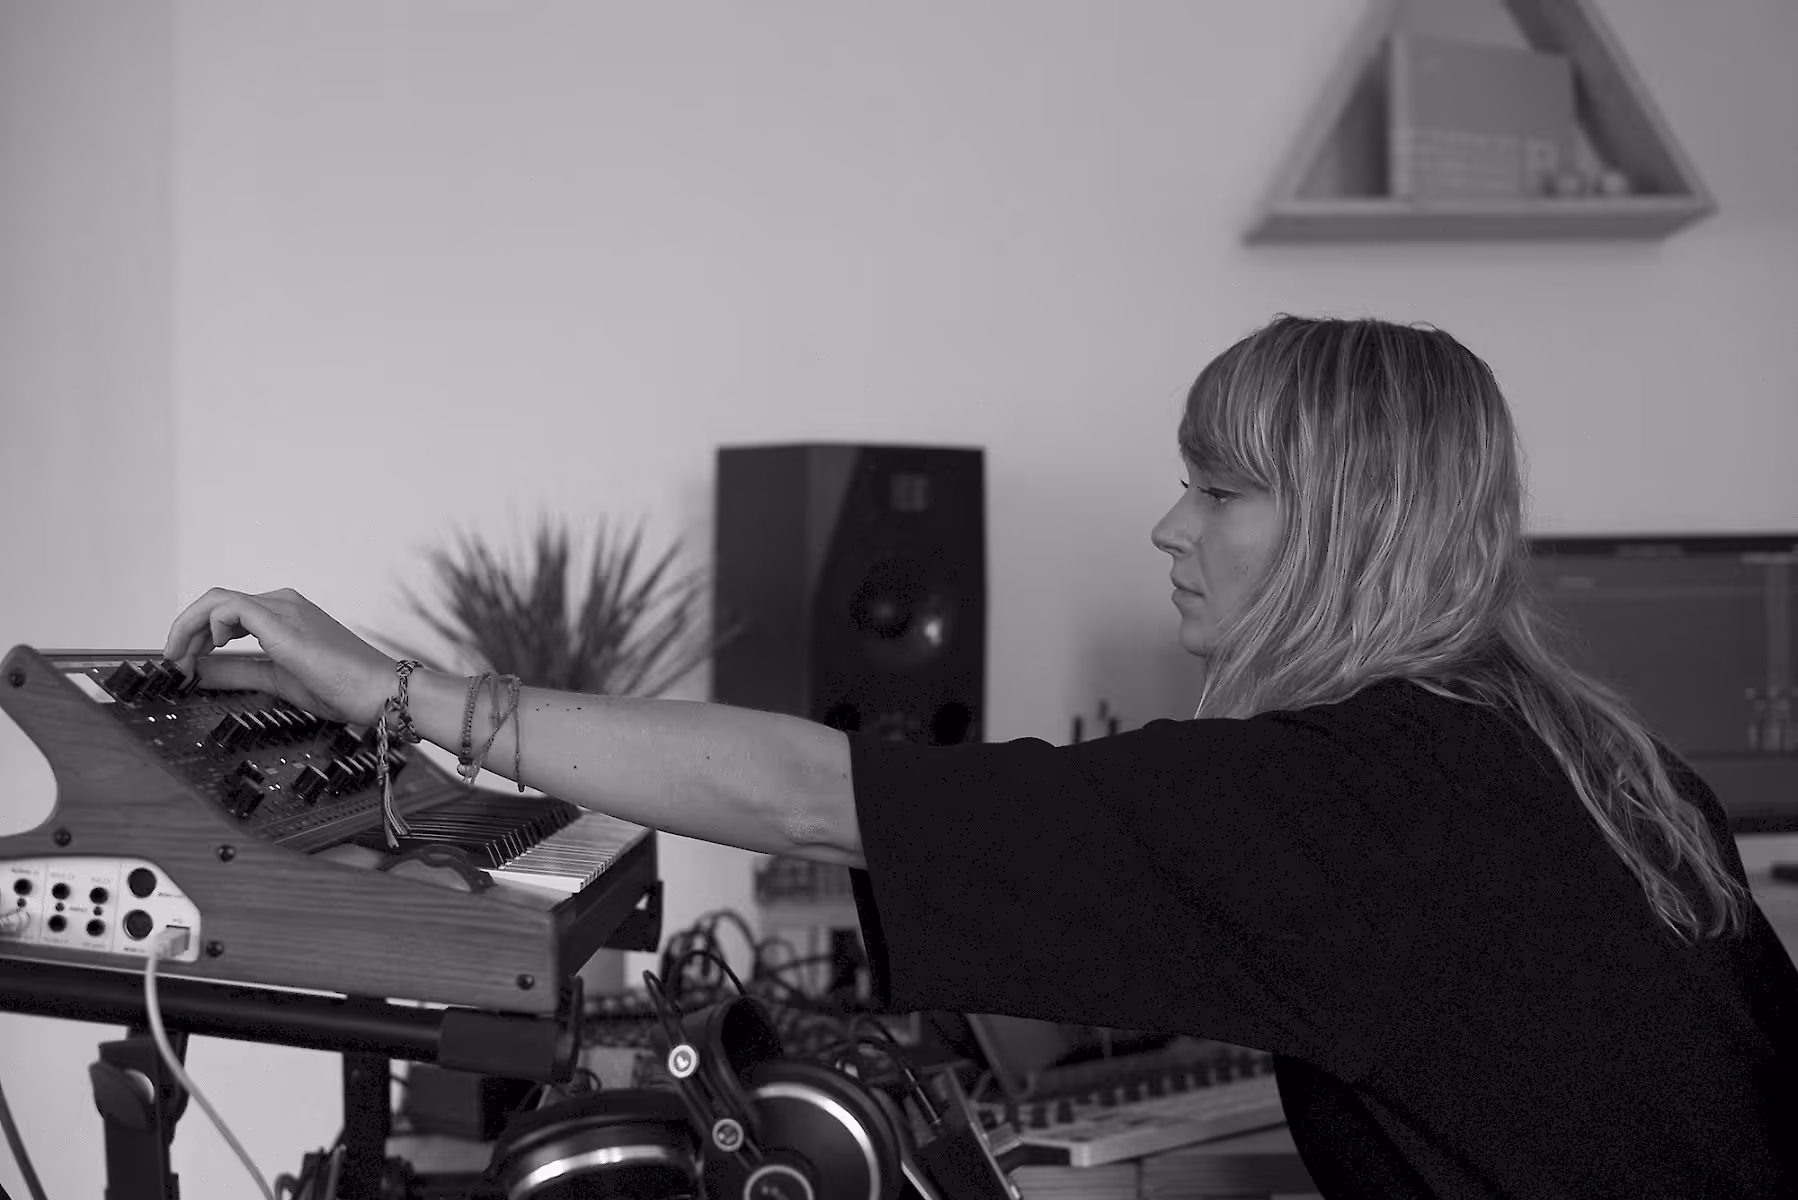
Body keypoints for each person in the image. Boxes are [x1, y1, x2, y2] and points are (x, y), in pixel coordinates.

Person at [164, 314, 1798, 1199]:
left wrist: (395, 689)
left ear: (1346, 529)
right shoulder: (1595, 758)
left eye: (1217, 491)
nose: (1167, 525)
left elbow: (809, 791)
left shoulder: (1341, 798)